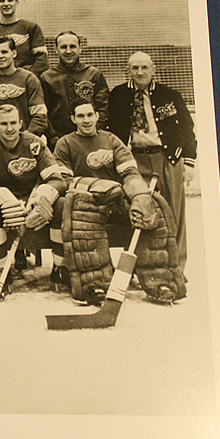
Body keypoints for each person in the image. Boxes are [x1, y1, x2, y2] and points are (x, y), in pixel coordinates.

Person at [51, 99, 171, 303]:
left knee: (151, 209)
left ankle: (159, 280)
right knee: (84, 222)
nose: (86, 120)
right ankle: (94, 284)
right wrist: (98, 187)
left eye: (90, 115)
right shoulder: (65, 143)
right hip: (86, 202)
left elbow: (129, 172)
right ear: (73, 119)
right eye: (80, 116)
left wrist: (140, 194)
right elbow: (65, 180)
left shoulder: (112, 140)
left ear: (97, 116)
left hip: (115, 201)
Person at [108, 51, 196, 275]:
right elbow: (110, 129)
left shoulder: (170, 95)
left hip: (167, 158)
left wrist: (189, 162)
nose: (139, 72)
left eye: (144, 67)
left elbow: (187, 128)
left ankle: (175, 267)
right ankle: (144, 266)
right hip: (134, 159)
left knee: (173, 213)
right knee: (141, 211)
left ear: (153, 69)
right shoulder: (118, 94)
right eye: (134, 68)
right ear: (128, 70)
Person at [0, 104, 65, 291]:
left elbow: (57, 180)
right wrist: (4, 198)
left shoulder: (35, 143)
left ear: (21, 124)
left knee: (62, 205)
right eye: (4, 123)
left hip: (31, 200)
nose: (10, 128)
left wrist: (42, 198)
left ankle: (60, 268)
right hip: (3, 203)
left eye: (14, 123)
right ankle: (1, 271)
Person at [0, 35, 47, 141]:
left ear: (14, 53)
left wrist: (25, 138)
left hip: (20, 140)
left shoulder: (28, 78)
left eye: (4, 52)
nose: (0, 56)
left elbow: (39, 115)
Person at [40, 30, 109, 146]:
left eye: (72, 46)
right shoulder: (47, 78)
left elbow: (103, 108)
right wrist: (54, 138)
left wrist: (94, 132)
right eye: (63, 47)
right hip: (60, 140)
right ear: (56, 50)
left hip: (91, 138)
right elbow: (43, 112)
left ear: (80, 48)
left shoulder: (94, 74)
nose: (68, 51)